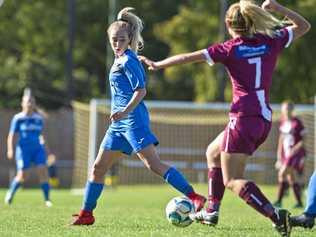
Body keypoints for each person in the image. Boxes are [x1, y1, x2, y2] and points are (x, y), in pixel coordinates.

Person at [139, 0, 310, 236]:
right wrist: (278, 8)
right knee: (213, 152)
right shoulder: (271, 39)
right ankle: (212, 210)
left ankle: (275, 215)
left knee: (233, 180)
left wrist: (158, 65)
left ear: (230, 25)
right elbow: (304, 26)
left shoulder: (230, 48)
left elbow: (189, 57)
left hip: (242, 118)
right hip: (263, 119)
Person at [71, 7, 206, 225]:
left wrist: (124, 111)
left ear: (129, 39)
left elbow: (141, 91)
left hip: (133, 120)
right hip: (119, 124)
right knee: (98, 167)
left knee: (153, 164)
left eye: (121, 40)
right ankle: (87, 214)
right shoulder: (121, 58)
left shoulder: (128, 61)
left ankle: (194, 197)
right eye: (114, 40)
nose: (117, 44)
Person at [5, 93, 53, 207]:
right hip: (23, 150)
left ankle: (47, 199)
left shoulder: (38, 119)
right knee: (23, 175)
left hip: (37, 149)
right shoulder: (18, 118)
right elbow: (11, 135)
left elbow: (42, 135)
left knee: (43, 170)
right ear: (22, 103)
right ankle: (10, 193)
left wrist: (48, 151)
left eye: (32, 101)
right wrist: (10, 149)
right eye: (27, 101)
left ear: (34, 104)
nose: (30, 104)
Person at [274, 101, 306, 208]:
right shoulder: (283, 122)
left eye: (289, 108)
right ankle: (299, 202)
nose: (287, 110)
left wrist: (294, 150)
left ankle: (279, 200)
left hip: (296, 154)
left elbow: (303, 140)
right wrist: (279, 156)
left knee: (282, 173)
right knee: (291, 177)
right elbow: (281, 140)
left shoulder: (297, 123)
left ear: (292, 110)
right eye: (285, 108)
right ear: (282, 110)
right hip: (286, 154)